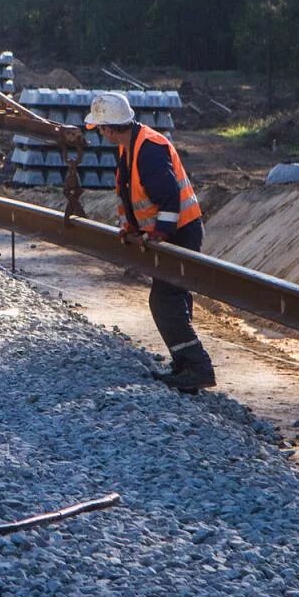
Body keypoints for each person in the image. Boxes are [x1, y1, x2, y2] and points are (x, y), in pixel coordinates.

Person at [86, 91, 215, 391]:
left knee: (164, 299)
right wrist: (131, 226)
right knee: (174, 297)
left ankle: (197, 366)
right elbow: (132, 193)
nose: (99, 133)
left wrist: (159, 234)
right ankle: (185, 364)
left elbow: (170, 199)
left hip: (181, 231)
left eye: (100, 128)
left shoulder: (149, 150)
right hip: (176, 231)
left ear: (109, 127)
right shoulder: (129, 146)